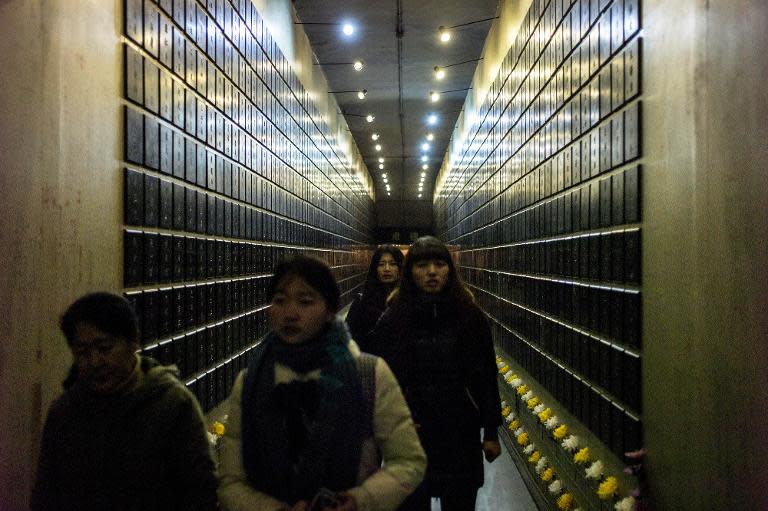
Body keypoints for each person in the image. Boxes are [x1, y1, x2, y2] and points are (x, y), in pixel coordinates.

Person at [217, 255, 426, 511]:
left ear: (329, 310)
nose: (290, 313)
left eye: (305, 302)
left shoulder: (369, 375)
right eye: (279, 300)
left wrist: (360, 501)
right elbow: (229, 480)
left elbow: (408, 461)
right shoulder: (250, 383)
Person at [31, 292, 218, 511]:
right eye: (82, 352)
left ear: (133, 343)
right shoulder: (64, 413)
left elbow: (201, 494)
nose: (94, 362)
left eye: (105, 348)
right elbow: (46, 497)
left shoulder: (173, 405)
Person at [367, 236, 502, 511]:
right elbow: (381, 381)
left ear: (449, 269)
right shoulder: (393, 319)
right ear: (410, 272)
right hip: (411, 435)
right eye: (422, 265)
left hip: (459, 433)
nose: (431, 272)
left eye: (439, 264)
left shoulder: (470, 317)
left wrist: (491, 431)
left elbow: (485, 375)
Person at [345, 245, 405, 350]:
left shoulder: (408, 301)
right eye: (381, 264)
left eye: (392, 264)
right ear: (375, 269)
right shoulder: (361, 302)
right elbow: (346, 340)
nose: (387, 269)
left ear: (400, 268)